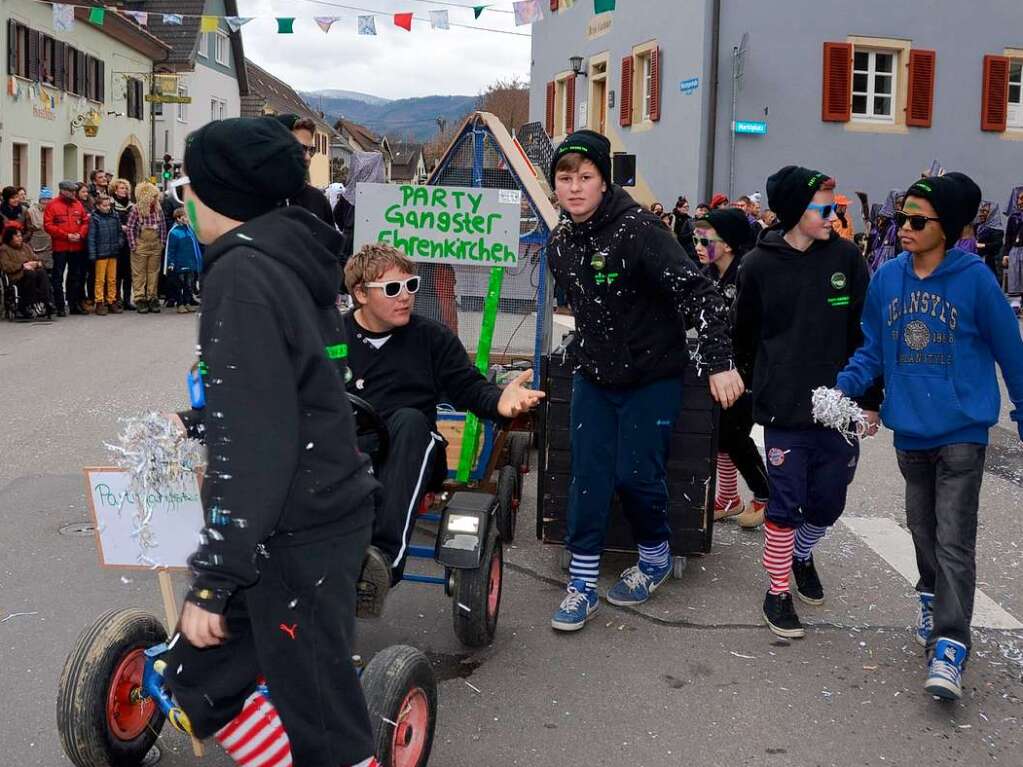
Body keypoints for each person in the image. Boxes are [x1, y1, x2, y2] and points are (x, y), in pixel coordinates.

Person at [162, 117, 382, 767]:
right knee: (198, 681)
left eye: (189, 187)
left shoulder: (243, 275)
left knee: (323, 723)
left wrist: (213, 579)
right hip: (308, 513)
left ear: (220, 197)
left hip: (295, 527)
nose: (184, 200)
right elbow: (302, 383)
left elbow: (257, 441)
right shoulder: (295, 251)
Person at [545, 129, 744, 632]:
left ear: (603, 181)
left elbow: (701, 295)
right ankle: (583, 583)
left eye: (584, 177)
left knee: (636, 474)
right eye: (565, 178)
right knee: (586, 475)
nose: (573, 188)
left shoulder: (639, 231)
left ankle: (654, 555)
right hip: (595, 375)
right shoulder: (560, 242)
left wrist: (720, 361)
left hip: (653, 375)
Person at [836, 172, 1023, 700]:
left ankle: (949, 644)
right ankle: (929, 594)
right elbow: (873, 346)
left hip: (963, 430)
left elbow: (1012, 352)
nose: (904, 228)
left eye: (917, 220)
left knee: (954, 539)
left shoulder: (976, 281)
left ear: (950, 227)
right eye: (901, 218)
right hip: (910, 433)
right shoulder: (889, 277)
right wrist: (843, 385)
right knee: (923, 532)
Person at [341, 243, 544, 597]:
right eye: (392, 289)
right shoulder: (331, 336)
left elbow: (469, 389)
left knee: (409, 421)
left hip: (413, 450)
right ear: (360, 293)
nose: (405, 297)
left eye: (411, 285)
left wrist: (500, 401)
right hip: (348, 452)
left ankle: (383, 560)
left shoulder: (430, 338)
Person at [733, 165, 882, 640]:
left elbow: (868, 333)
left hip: (840, 408)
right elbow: (744, 337)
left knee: (828, 503)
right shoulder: (758, 265)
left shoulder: (846, 258)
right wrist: (760, 385)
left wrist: (871, 399)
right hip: (785, 409)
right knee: (785, 503)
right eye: (826, 208)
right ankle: (777, 590)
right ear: (797, 209)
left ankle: (801, 553)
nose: (835, 216)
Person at [693, 209, 769, 529]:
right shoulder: (708, 274)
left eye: (705, 240)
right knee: (720, 433)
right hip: (720, 366)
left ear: (728, 245)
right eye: (695, 238)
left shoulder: (748, 274)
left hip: (749, 369)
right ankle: (728, 498)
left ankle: (767, 495)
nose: (697, 244)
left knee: (735, 435)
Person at [273, 114, 335, 228]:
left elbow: (332, 245)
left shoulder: (317, 201)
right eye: (299, 148)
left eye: (311, 150)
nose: (307, 157)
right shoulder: (253, 198)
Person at [43, 180, 89, 316]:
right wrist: (66, 235)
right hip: (60, 246)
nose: (73, 193)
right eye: (70, 191)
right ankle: (60, 306)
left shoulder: (78, 204)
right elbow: (48, 225)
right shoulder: (53, 205)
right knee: (58, 277)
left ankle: (73, 304)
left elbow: (85, 221)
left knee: (75, 276)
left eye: (74, 191)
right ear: (63, 191)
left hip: (76, 246)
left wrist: (80, 234)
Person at [127, 181, 167, 314]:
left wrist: (162, 242)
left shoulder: (158, 209)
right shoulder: (136, 210)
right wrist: (133, 245)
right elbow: (131, 228)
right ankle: (140, 298)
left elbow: (162, 227)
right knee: (139, 274)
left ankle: (152, 297)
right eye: (154, 196)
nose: (156, 199)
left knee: (153, 272)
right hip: (141, 245)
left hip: (155, 245)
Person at [1, 226, 51, 319]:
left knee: (42, 272)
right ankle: (28, 305)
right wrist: (23, 266)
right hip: (17, 277)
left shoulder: (25, 246)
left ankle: (46, 301)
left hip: (32, 273)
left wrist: (36, 263)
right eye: (17, 236)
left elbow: (36, 258)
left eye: (20, 236)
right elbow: (6, 266)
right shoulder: (4, 249)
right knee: (30, 274)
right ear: (10, 238)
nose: (20, 238)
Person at [86, 194, 123, 315]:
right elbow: (91, 237)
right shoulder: (94, 218)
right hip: (100, 253)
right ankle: (99, 301)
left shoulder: (115, 216)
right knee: (100, 279)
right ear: (98, 206)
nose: (107, 208)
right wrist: (92, 254)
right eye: (104, 205)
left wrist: (119, 243)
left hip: (113, 251)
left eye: (108, 205)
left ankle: (112, 300)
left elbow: (120, 232)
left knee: (112, 279)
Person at [164, 207, 202, 313]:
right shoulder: (174, 233)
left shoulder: (190, 230)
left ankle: (187, 302)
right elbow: (171, 250)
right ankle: (180, 304)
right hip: (179, 263)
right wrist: (171, 263)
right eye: (185, 216)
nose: (187, 218)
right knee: (179, 285)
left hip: (189, 262)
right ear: (178, 218)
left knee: (188, 285)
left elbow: (194, 247)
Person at [110, 178, 135, 310]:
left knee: (128, 272)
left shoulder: (131, 205)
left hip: (128, 241)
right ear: (115, 190)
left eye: (125, 188)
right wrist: (121, 227)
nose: (124, 191)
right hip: (115, 240)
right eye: (121, 188)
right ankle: (116, 298)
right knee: (117, 272)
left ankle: (127, 299)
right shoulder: (111, 204)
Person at [1002, 186, 1023, 314]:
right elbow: (1008, 237)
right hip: (1015, 251)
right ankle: (1015, 302)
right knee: (1015, 275)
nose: (1021, 202)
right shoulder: (1013, 218)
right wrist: (1006, 254)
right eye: (1019, 199)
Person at [27, 187, 53, 283]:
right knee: (38, 271)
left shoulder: (52, 210)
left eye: (49, 200)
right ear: (40, 200)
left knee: (50, 271)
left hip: (50, 247)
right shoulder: (31, 211)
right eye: (44, 200)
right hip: (36, 246)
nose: (46, 202)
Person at [974, 201, 1003, 278]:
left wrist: (982, 245)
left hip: (990, 262)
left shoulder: (997, 230)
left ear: (992, 213)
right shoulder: (977, 226)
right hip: (976, 260)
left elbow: (997, 244)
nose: (981, 214)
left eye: (985, 212)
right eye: (980, 211)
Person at [672, 197, 697, 262]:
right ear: (678, 208)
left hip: (687, 248)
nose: (687, 209)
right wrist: (692, 233)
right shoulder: (673, 218)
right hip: (675, 246)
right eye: (685, 207)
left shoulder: (689, 219)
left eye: (687, 207)